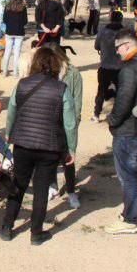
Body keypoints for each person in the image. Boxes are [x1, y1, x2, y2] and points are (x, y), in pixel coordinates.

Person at [0, 47, 77, 245]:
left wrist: (9, 133)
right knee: (41, 189)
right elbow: (69, 122)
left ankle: (7, 226)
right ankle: (36, 232)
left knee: (18, 185)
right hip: (50, 146)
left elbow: (12, 110)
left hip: (23, 143)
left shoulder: (22, 84)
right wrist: (71, 148)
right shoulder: (62, 89)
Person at [105, 28, 137, 235]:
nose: (117, 52)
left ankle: (129, 219)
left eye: (118, 48)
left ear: (127, 45)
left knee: (127, 175)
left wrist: (112, 121)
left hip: (128, 129)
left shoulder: (129, 70)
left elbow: (123, 101)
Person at [46, 43, 82, 209]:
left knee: (68, 158)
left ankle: (71, 191)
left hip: (66, 121)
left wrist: (74, 122)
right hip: (49, 121)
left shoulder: (73, 74)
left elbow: (77, 99)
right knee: (49, 156)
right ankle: (52, 185)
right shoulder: (45, 73)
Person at [92, 11, 124, 121]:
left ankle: (96, 114)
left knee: (101, 91)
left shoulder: (103, 31)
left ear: (110, 19)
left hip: (105, 66)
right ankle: (119, 114)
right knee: (122, 92)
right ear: (121, 19)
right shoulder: (126, 32)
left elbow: (96, 46)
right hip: (121, 67)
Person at [1, 0, 27, 78]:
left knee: (7, 51)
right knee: (17, 53)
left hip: (9, 31)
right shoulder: (23, 8)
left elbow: (4, 20)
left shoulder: (7, 6)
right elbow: (25, 21)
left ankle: (5, 71)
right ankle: (15, 73)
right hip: (19, 32)